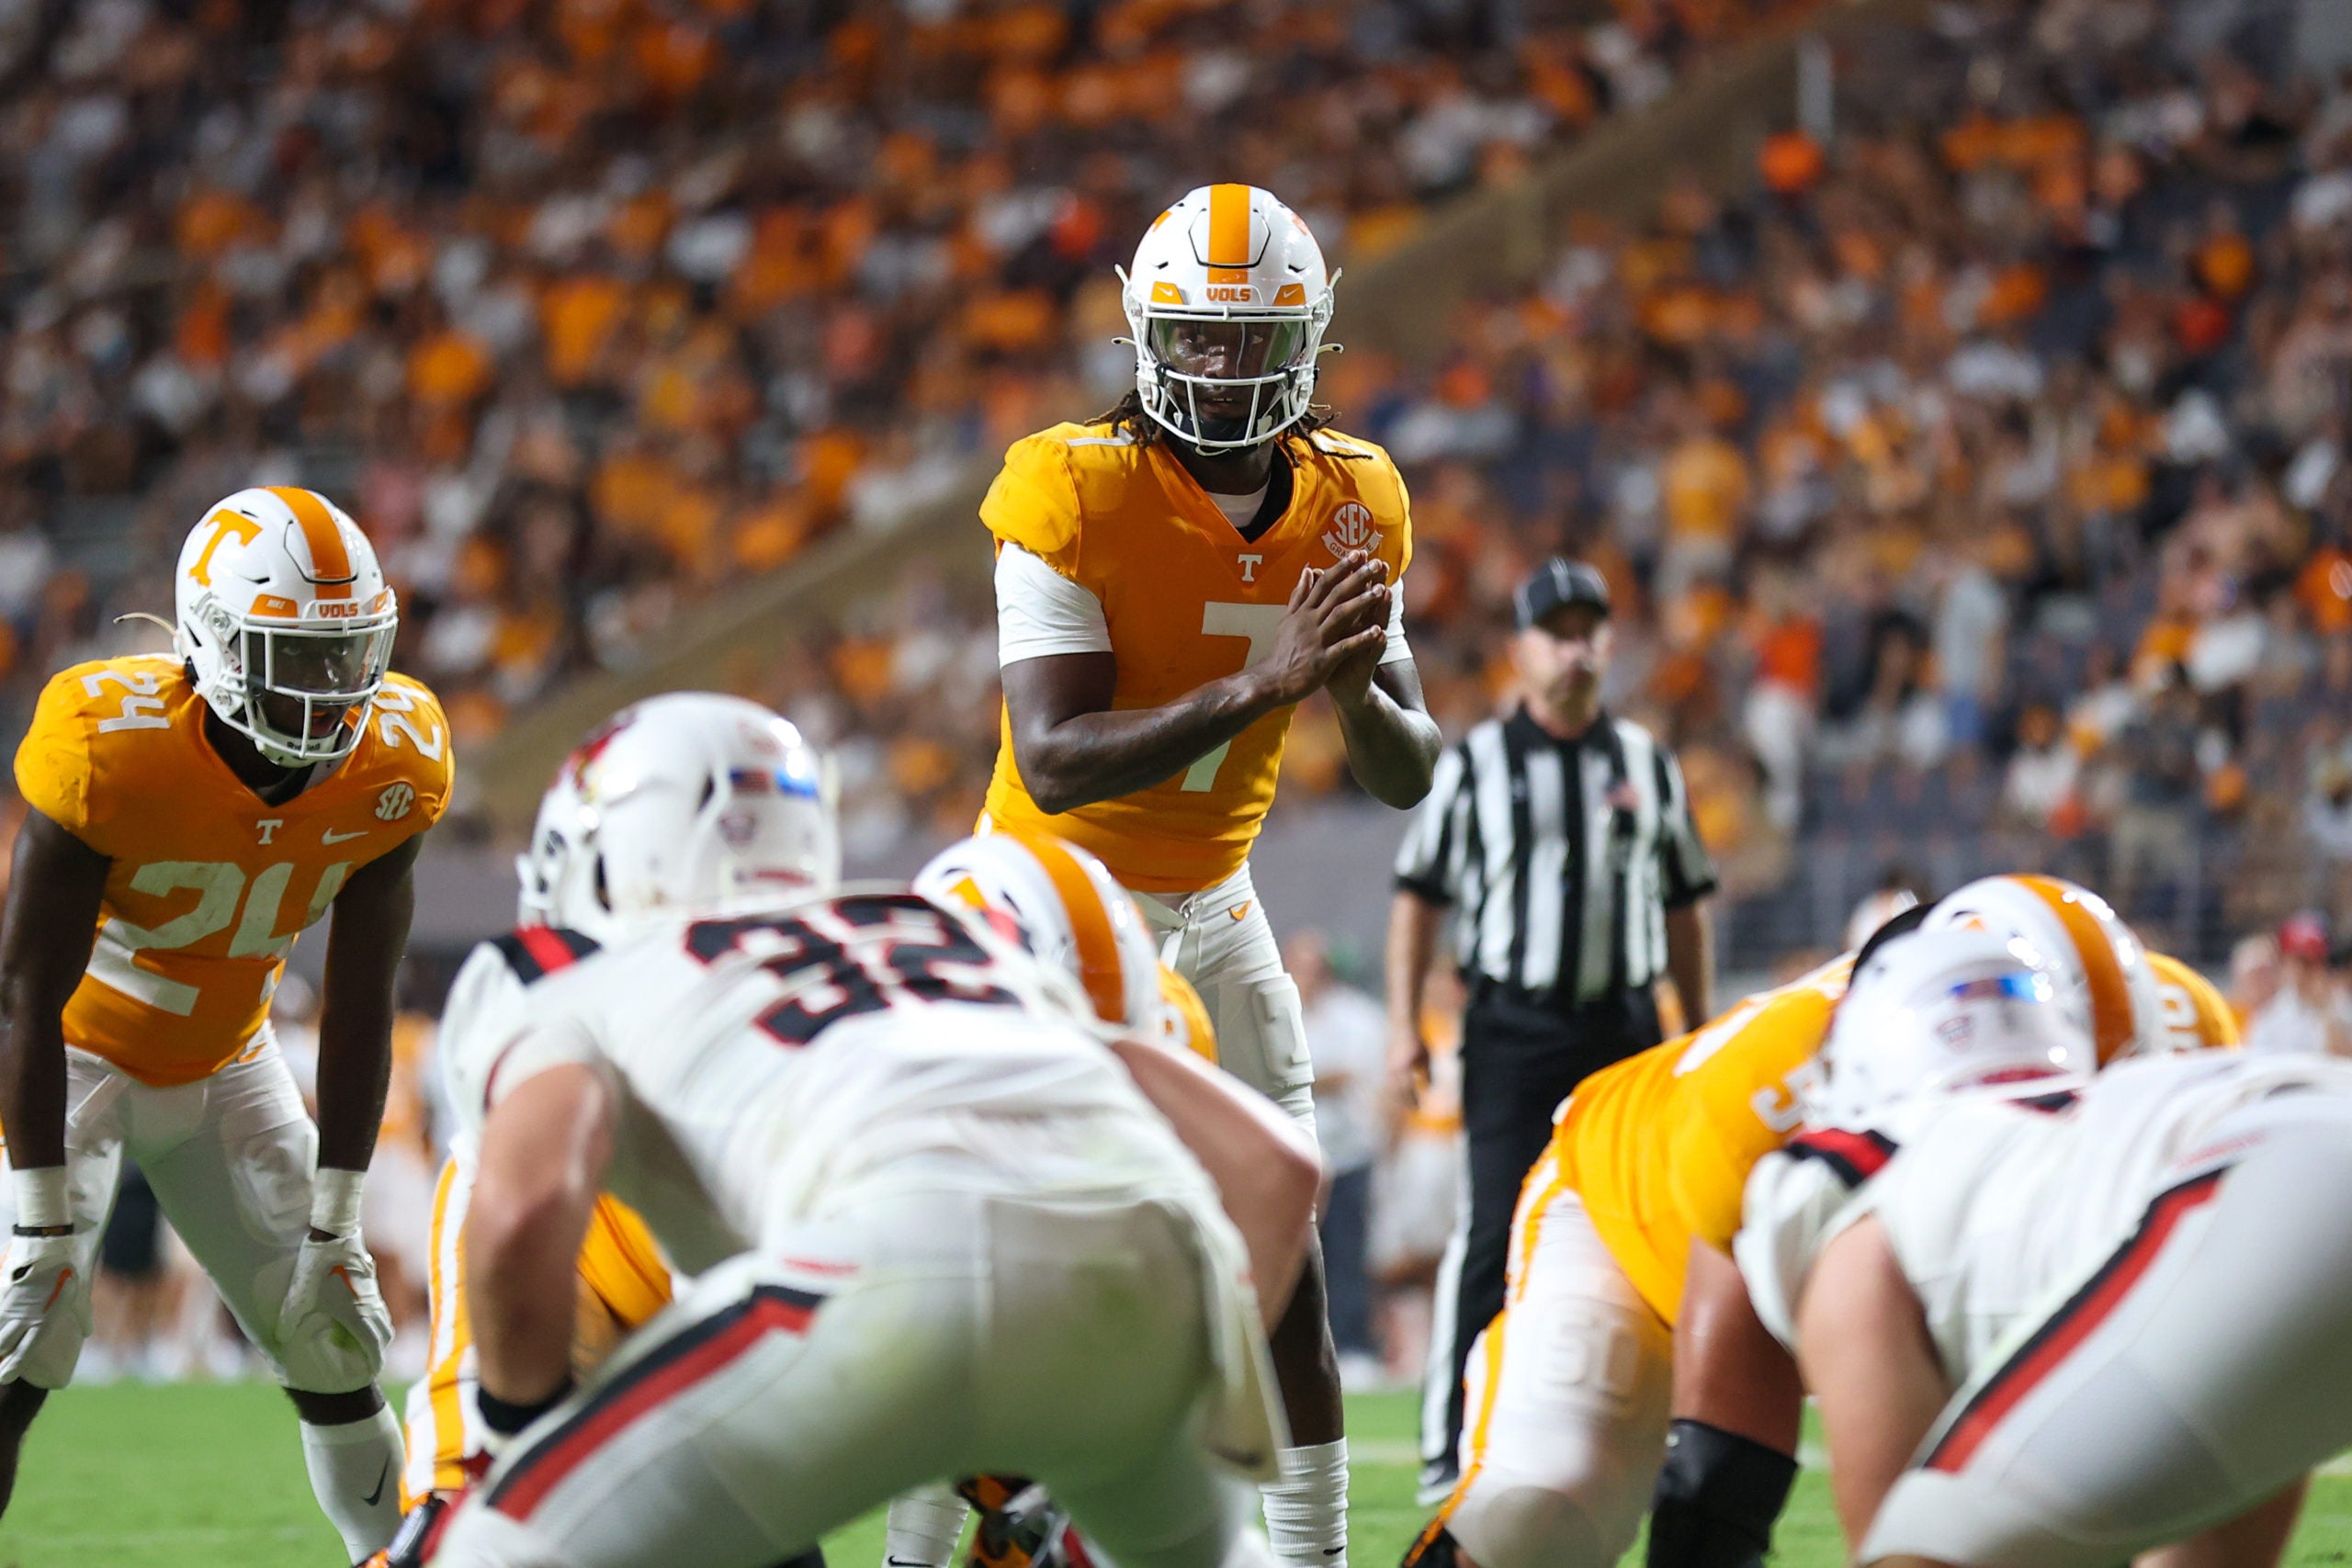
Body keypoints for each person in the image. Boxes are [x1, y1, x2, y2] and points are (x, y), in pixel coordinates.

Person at [427, 697, 1317, 1568]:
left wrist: (517, 1444)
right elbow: (1277, 1170)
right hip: (1150, 1267)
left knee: (494, 1548)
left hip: (890, 1267)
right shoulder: (943, 933)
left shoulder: (563, 970)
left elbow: (527, 1202)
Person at [978, 182, 1442, 1565]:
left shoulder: (1354, 497)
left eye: (1253, 339)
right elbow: (1055, 757)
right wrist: (1273, 678)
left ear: (1308, 342)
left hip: (1215, 901)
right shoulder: (1073, 483)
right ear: (1143, 332)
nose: (1223, 367)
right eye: (1199, 336)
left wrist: (1347, 689)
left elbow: (1409, 765)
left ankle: (1310, 1557)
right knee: (1002, 1261)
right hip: (1049, 903)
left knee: (1287, 1236)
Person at [1399, 874, 2239, 1568]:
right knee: (1551, 1504)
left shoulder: (2185, 1029)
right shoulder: (1767, 1111)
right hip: (1629, 1219)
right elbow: (1724, 1475)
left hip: (1905, 1240)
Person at [0, 487, 450, 1565]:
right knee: (20, 1341)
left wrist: (339, 1222)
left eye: (348, 656)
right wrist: (39, 1214)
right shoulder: (110, 745)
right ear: (210, 638)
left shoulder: (395, 761)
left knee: (334, 1341)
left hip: (227, 1065)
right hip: (80, 1058)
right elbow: (25, 994)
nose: (331, 693)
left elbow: (357, 1004)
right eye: (296, 658)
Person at [1740, 952, 2352, 1565]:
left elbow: (1901, 1528)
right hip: (2300, 1136)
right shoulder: (2100, 1124)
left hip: (2263, 1187)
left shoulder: (1858, 1189)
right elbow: (2265, 1340)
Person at [1386, 558, 1718, 1500]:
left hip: (1622, 1028)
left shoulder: (1647, 763)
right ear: (1520, 651)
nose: (1574, 650)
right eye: (1555, 632)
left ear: (1607, 643)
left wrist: (1691, 1030)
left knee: (1639, 1230)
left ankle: (1648, 1432)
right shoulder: (1477, 761)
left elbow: (1687, 901)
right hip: (1512, 1026)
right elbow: (1419, 896)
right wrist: (1405, 1024)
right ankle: (1449, 1439)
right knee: (1491, 1228)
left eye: (1588, 631)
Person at [1286, 930, 1386, 1386]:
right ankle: (1296, 1347)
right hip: (1291, 1155)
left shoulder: (1354, 1015)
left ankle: (1353, 1345)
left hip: (1345, 1153)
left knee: (1346, 1253)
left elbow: (1350, 1075)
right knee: (1295, 1254)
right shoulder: (1272, 1007)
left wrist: (1296, 1080)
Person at [2243, 910, 2348, 1055]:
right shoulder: (2272, 1012)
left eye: (2311, 963)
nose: (2304, 971)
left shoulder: (2341, 1003)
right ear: (2286, 961)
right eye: (2298, 961)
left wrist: (2325, 1010)